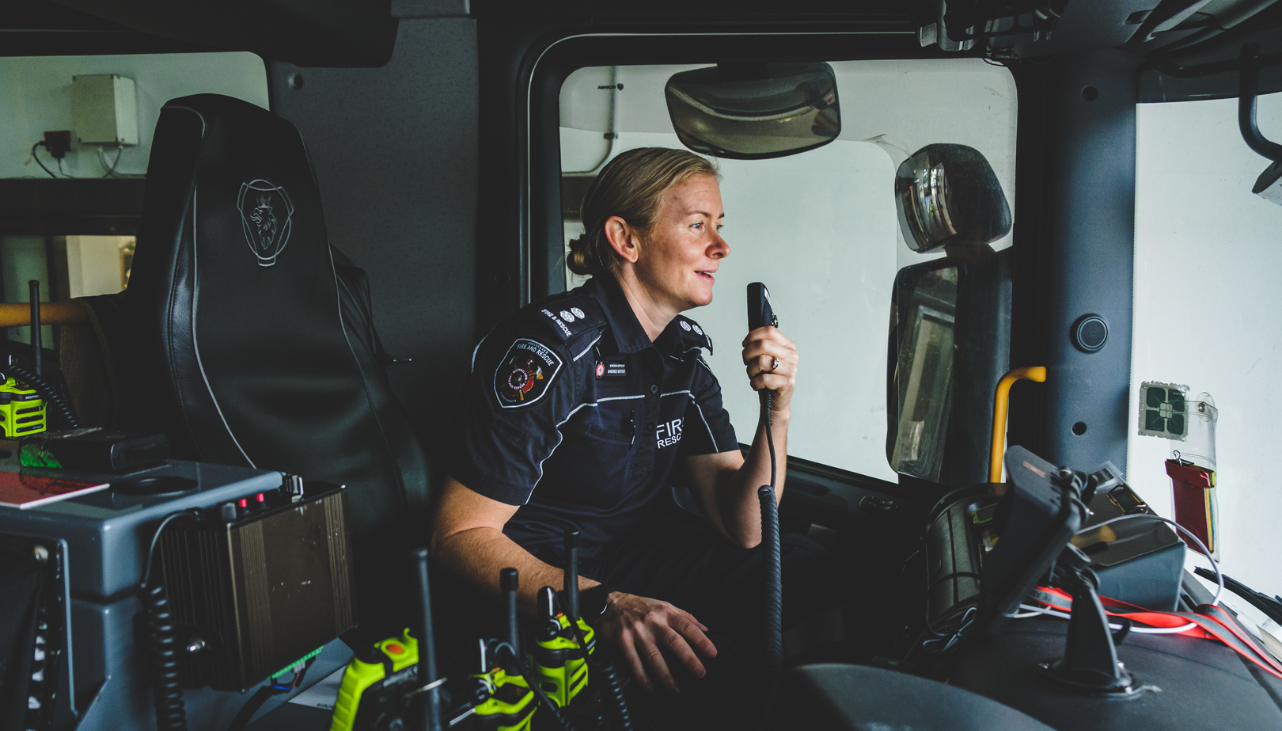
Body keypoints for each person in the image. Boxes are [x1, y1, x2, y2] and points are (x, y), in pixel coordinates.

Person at [431, 147, 829, 721]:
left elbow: (745, 525)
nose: (721, 247)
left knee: (804, 565)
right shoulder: (550, 353)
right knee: (733, 682)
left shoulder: (682, 359)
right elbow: (457, 534)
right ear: (626, 239)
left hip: (619, 560)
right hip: (531, 584)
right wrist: (602, 603)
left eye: (719, 227)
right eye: (698, 226)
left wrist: (779, 409)